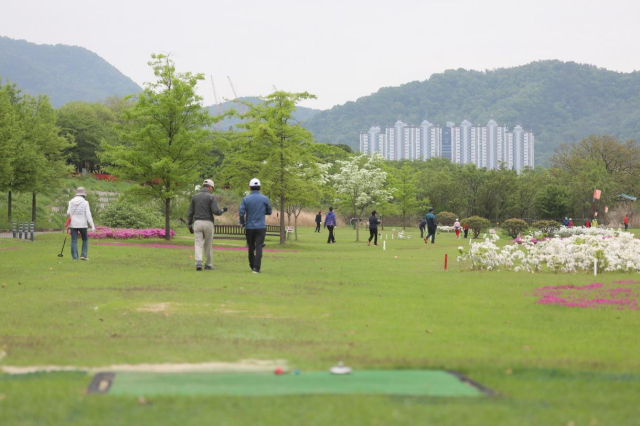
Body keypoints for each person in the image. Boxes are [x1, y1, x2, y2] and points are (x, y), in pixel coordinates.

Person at [187, 179, 227, 271]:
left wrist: (189, 225)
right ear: (209, 187)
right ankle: (208, 264)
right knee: (208, 245)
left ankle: (198, 262)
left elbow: (190, 212)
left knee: (198, 244)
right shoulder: (211, 197)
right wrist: (223, 210)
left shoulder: (195, 197)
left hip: (197, 223)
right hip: (208, 223)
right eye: (212, 188)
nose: (212, 189)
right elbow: (215, 211)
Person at [239, 178, 272, 274]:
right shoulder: (265, 198)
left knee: (251, 246)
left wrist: (242, 222)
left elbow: (241, 213)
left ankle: (252, 265)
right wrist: (262, 211)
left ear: (250, 188)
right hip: (261, 226)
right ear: (260, 187)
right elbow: (269, 211)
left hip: (249, 227)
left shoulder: (246, 199)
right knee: (259, 247)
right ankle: (257, 268)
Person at [66, 187, 95, 261]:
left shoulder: (71, 202)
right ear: (83, 194)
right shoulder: (85, 202)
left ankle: (75, 257)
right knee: (85, 239)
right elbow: (88, 214)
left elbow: (68, 213)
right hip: (83, 224)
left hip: (73, 224)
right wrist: (92, 224)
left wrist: (69, 223)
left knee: (74, 240)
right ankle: (84, 255)